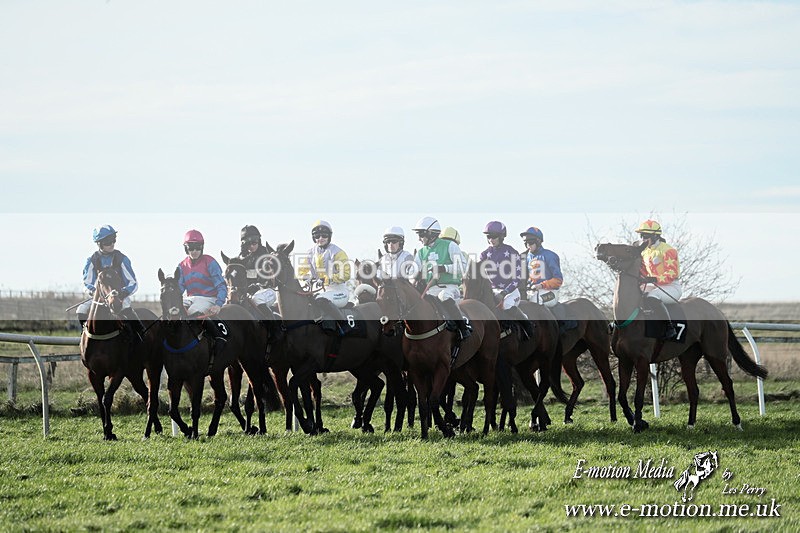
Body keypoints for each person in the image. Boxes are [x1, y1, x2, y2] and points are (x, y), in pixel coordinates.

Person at [78, 225, 146, 341]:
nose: (112, 244)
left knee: (126, 309)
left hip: (119, 296)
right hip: (99, 297)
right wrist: (96, 293)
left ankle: (140, 335)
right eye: (108, 241)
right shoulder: (92, 260)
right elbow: (86, 283)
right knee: (81, 310)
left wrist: (122, 293)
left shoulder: (122, 259)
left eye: (113, 240)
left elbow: (133, 283)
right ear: (99, 243)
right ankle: (85, 337)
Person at [412, 216, 471, 341]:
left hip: (450, 288)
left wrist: (443, 268)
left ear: (432, 233)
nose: (419, 238)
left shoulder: (450, 245)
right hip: (430, 290)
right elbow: (414, 272)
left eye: (421, 234)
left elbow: (463, 267)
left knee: (444, 296)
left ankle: (462, 329)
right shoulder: (421, 252)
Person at [177, 229, 228, 358]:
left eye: (197, 248)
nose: (194, 251)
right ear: (186, 248)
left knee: (192, 311)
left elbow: (221, 285)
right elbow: (179, 288)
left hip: (209, 298)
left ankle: (218, 338)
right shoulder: (182, 265)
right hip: (190, 298)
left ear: (202, 247)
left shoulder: (210, 262)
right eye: (191, 248)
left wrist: (219, 304)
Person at [479, 221, 533, 339]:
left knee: (506, 306)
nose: (491, 239)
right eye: (489, 236)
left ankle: (527, 325)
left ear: (502, 236)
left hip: (511, 292)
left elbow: (517, 279)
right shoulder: (484, 255)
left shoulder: (512, 252)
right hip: (492, 291)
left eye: (494, 236)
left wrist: (504, 293)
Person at [636, 219, 681, 340]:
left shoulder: (668, 250)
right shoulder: (645, 252)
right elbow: (644, 273)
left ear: (655, 236)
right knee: (635, 292)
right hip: (655, 285)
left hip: (672, 286)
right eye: (641, 236)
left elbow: (672, 273)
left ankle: (669, 326)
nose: (643, 239)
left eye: (645, 236)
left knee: (652, 296)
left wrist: (654, 279)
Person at [297, 220, 353, 310]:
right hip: (319, 290)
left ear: (329, 236)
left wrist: (326, 279)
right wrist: (306, 278)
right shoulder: (310, 253)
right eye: (317, 236)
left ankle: (344, 324)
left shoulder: (338, 252)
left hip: (338, 291)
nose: (320, 238)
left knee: (320, 300)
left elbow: (345, 274)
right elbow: (300, 272)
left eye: (324, 235)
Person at [235, 224, 277, 318]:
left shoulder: (267, 255)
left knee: (257, 298)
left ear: (259, 241)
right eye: (248, 245)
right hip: (248, 292)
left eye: (254, 244)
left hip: (268, 290)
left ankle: (274, 327)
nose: (252, 247)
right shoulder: (240, 260)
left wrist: (258, 286)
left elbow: (271, 278)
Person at [520, 227, 563, 308]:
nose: (528, 245)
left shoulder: (550, 256)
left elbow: (558, 280)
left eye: (531, 242)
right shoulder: (526, 257)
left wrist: (541, 285)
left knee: (535, 302)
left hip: (551, 292)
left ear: (538, 241)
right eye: (526, 243)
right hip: (532, 292)